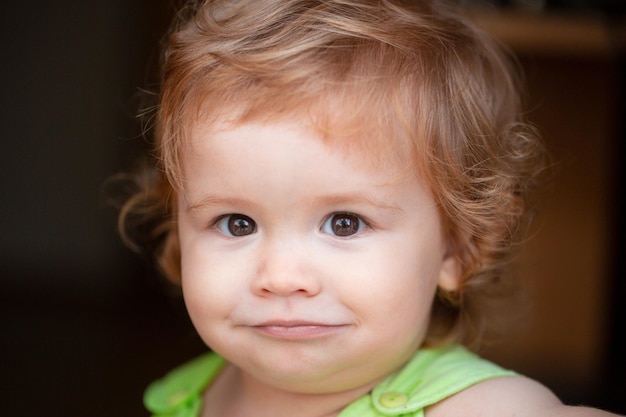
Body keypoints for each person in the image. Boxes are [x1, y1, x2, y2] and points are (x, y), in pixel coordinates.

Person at [118, 0, 622, 416]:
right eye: (237, 222)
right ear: (178, 234)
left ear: (460, 248)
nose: (281, 276)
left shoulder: (488, 408)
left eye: (344, 223)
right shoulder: (190, 395)